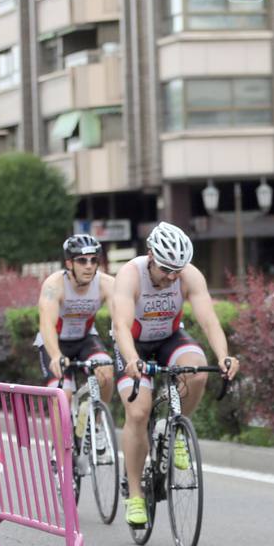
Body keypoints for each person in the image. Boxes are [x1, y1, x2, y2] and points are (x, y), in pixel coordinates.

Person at [110, 222, 239, 529]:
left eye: (177, 270)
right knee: (139, 411)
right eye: (166, 268)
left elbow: (208, 320)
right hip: (133, 343)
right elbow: (121, 326)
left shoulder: (189, 275)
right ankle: (136, 495)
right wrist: (131, 360)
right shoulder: (130, 275)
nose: (171, 276)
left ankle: (176, 427)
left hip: (169, 337)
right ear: (150, 255)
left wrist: (224, 356)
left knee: (196, 370)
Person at [35, 235, 115, 403]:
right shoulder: (54, 285)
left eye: (94, 260)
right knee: (62, 397)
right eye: (82, 261)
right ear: (69, 263)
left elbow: (121, 321)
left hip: (85, 339)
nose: (89, 266)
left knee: (106, 373)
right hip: (55, 341)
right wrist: (56, 355)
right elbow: (46, 324)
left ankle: (99, 425)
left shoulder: (107, 284)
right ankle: (62, 429)